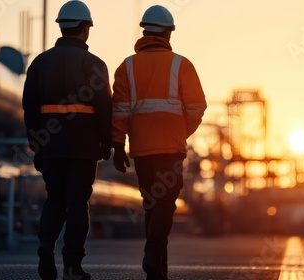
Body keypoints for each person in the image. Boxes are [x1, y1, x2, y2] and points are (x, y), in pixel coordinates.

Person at [111, 5, 207, 280]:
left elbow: (119, 111)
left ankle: (157, 271)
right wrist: (181, 132)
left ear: (145, 31)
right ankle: (153, 254)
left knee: (152, 204)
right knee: (165, 203)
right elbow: (197, 107)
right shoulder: (181, 64)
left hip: (141, 149)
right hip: (170, 148)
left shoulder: (127, 66)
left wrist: (118, 145)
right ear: (168, 32)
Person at [22, 1, 112, 279]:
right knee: (77, 203)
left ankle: (45, 246)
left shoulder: (40, 63)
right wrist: (107, 143)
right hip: (83, 149)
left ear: (62, 27)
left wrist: (37, 146)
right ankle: (72, 266)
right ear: (85, 29)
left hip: (51, 146)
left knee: (55, 199)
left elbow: (29, 109)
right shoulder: (94, 64)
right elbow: (105, 109)